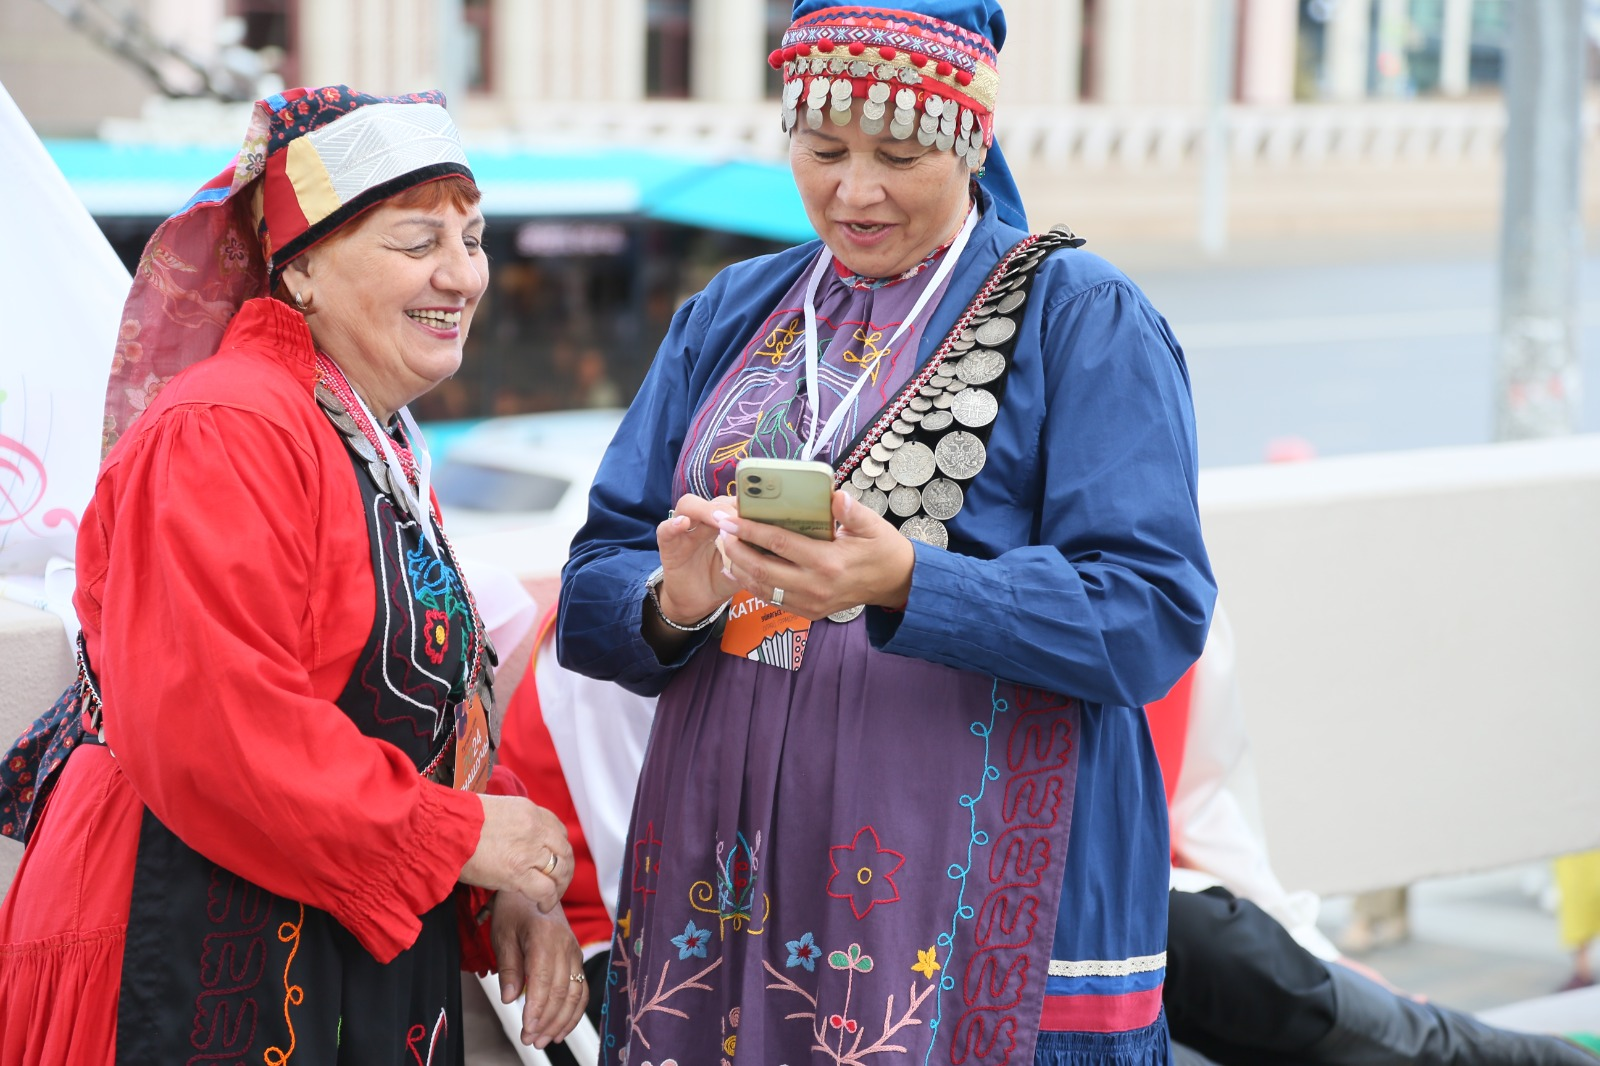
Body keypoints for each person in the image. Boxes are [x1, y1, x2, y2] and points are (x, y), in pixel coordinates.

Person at [558, 3, 1216, 1063]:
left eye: (898, 154)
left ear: (967, 141)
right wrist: (672, 598)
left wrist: (908, 579)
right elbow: (594, 582)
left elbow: (1150, 611)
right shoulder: (731, 311)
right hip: (726, 884)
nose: (852, 191)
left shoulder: (1076, 315)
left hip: (970, 883)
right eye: (822, 150)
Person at [0, 86, 587, 1064]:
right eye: (416, 241)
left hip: (329, 925)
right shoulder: (226, 426)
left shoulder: (368, 433)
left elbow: (429, 701)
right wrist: (454, 837)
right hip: (182, 925)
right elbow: (209, 721)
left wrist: (501, 891)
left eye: (474, 237)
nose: (464, 274)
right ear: (302, 266)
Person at [1150, 612, 1600, 1066]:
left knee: (1205, 938)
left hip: (1170, 930)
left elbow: (1203, 810)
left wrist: (1313, 954)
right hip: (1120, 942)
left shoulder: (1184, 603)